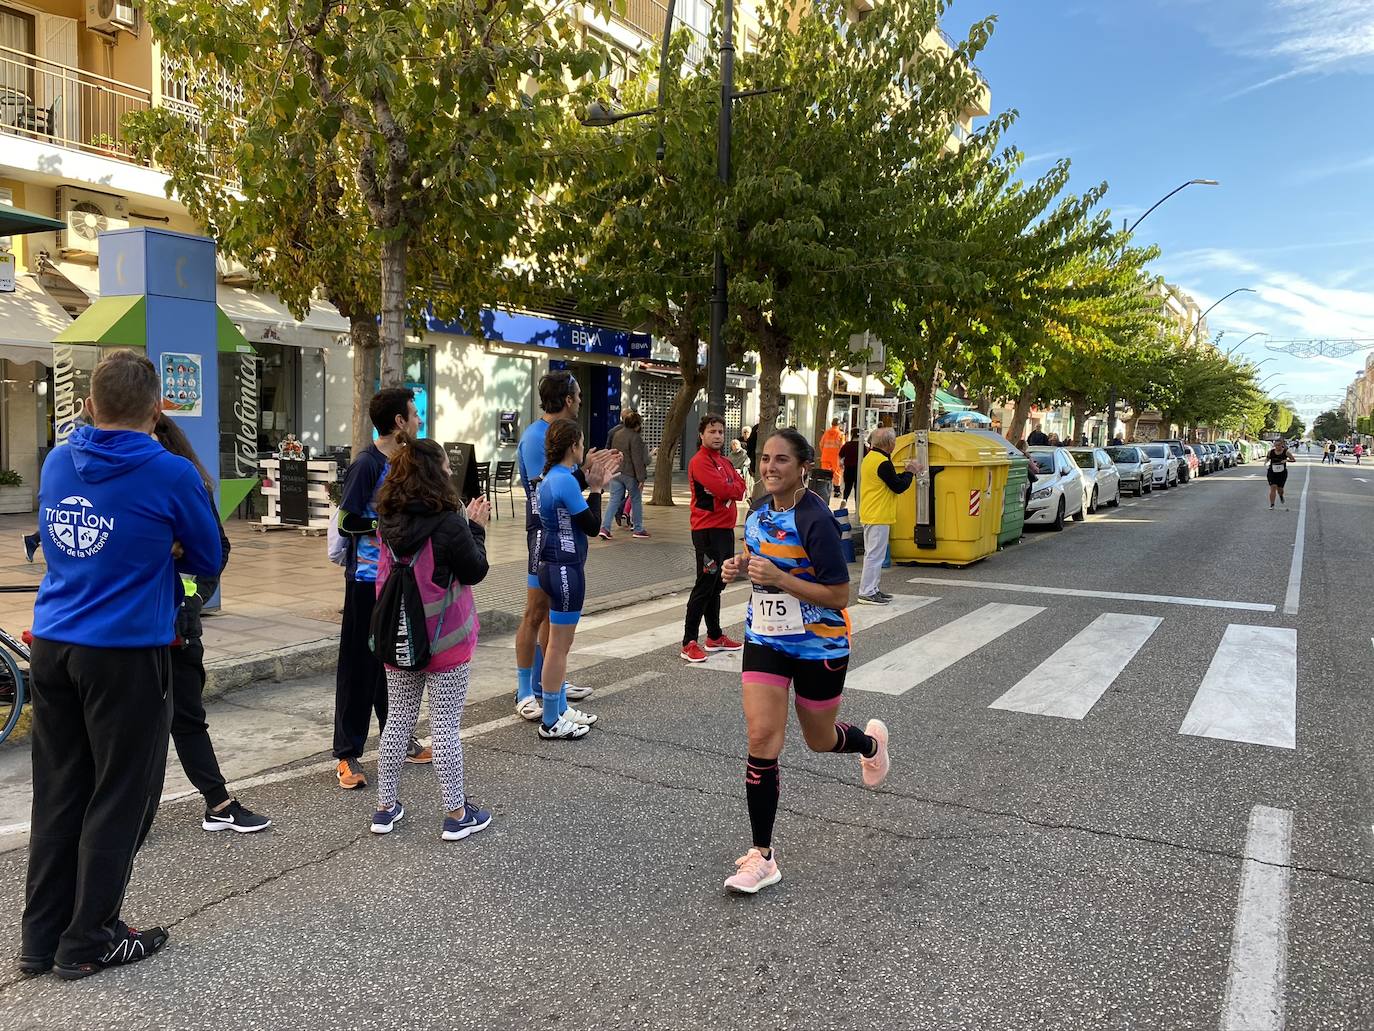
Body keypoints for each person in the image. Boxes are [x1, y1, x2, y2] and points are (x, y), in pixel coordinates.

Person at [20, 350, 222, 980]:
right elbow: (209, 559)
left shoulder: (57, 461)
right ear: (158, 410)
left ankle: (41, 938)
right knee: (122, 793)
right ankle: (89, 937)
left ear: (86, 406)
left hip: (53, 643)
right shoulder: (172, 474)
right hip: (128, 651)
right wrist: (167, 554)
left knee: (60, 790)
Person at [717, 428, 890, 894]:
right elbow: (760, 560)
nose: (769, 467)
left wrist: (780, 578)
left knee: (819, 740)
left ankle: (869, 745)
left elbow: (838, 594)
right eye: (764, 458)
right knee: (761, 737)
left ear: (802, 469)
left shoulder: (816, 519)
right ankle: (762, 856)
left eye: (780, 461)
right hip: (766, 638)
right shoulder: (757, 510)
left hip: (820, 645)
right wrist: (740, 568)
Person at [370, 435, 493, 840]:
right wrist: (476, 529)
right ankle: (457, 815)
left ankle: (386, 808)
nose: (448, 473)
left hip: (399, 635)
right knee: (443, 726)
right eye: (444, 468)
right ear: (434, 474)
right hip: (446, 641)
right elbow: (475, 570)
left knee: (398, 723)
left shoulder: (387, 519)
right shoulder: (449, 523)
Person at [153, 416, 270, 835]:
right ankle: (117, 816)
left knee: (186, 716)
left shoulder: (184, 483)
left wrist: (194, 595)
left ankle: (218, 803)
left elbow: (218, 546)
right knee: (132, 726)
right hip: (135, 626)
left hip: (178, 626)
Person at [333, 388, 429, 791]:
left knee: (393, 664)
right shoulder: (367, 465)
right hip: (364, 582)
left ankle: (399, 736)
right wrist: (383, 527)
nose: (419, 421)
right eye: (414, 414)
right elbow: (345, 522)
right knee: (358, 668)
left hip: (397, 583)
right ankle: (346, 754)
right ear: (398, 422)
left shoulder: (407, 461)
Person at [513, 372, 610, 721]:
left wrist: (586, 474)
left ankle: (549, 685)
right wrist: (588, 480)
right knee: (535, 612)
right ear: (567, 399)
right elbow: (548, 492)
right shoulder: (536, 437)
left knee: (554, 616)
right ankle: (526, 690)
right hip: (543, 536)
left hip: (563, 538)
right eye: (579, 395)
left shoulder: (555, 437)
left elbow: (563, 482)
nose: (582, 400)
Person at [535, 419, 615, 739]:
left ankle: (561, 707)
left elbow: (569, 496)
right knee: (559, 646)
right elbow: (592, 526)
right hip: (565, 568)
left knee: (559, 645)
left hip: (553, 565)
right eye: (581, 444)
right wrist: (596, 488)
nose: (584, 449)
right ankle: (551, 720)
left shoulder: (554, 478)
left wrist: (587, 475)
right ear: (573, 446)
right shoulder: (565, 481)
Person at [682, 414, 748, 663]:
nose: (718, 435)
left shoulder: (725, 461)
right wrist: (727, 487)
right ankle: (689, 641)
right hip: (707, 531)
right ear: (701, 434)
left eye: (721, 431)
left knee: (718, 583)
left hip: (724, 530)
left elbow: (740, 488)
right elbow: (724, 489)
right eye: (712, 431)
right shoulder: (700, 462)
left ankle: (715, 635)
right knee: (705, 582)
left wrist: (728, 486)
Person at [857, 427, 921, 606]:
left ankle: (873, 589)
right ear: (889, 444)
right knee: (874, 555)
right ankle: (867, 591)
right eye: (894, 442)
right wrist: (911, 472)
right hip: (878, 514)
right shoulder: (882, 462)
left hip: (873, 512)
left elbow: (891, 481)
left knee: (874, 554)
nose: (895, 444)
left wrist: (906, 473)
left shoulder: (873, 458)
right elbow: (898, 486)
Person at [599, 410, 651, 540]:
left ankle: (605, 527)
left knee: (613, 500)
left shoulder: (617, 434)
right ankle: (638, 528)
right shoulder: (635, 437)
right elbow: (637, 460)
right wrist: (641, 478)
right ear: (637, 425)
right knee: (636, 499)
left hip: (617, 471)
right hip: (630, 473)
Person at [819, 418, 845, 496]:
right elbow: (842, 446)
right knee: (836, 474)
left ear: (832, 424)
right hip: (836, 457)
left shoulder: (826, 433)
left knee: (825, 474)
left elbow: (821, 444)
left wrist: (824, 452)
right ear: (839, 425)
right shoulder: (840, 434)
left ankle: (824, 491)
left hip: (825, 456)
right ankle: (837, 491)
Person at [836, 429, 861, 505]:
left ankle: (845, 499)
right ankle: (857, 504)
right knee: (857, 488)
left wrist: (841, 463)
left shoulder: (847, 445)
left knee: (847, 487)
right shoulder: (862, 446)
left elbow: (840, 455)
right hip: (858, 469)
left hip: (848, 469)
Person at [1265, 438, 1290, 509]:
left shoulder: (1286, 452)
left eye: (1279, 445)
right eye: (1276, 445)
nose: (1277, 447)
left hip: (1282, 473)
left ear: (1282, 445)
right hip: (1272, 472)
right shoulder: (1271, 452)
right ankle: (1272, 504)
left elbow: (1293, 459)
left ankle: (1281, 495)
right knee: (1273, 487)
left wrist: (1286, 460)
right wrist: (1265, 463)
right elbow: (1267, 458)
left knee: (1280, 490)